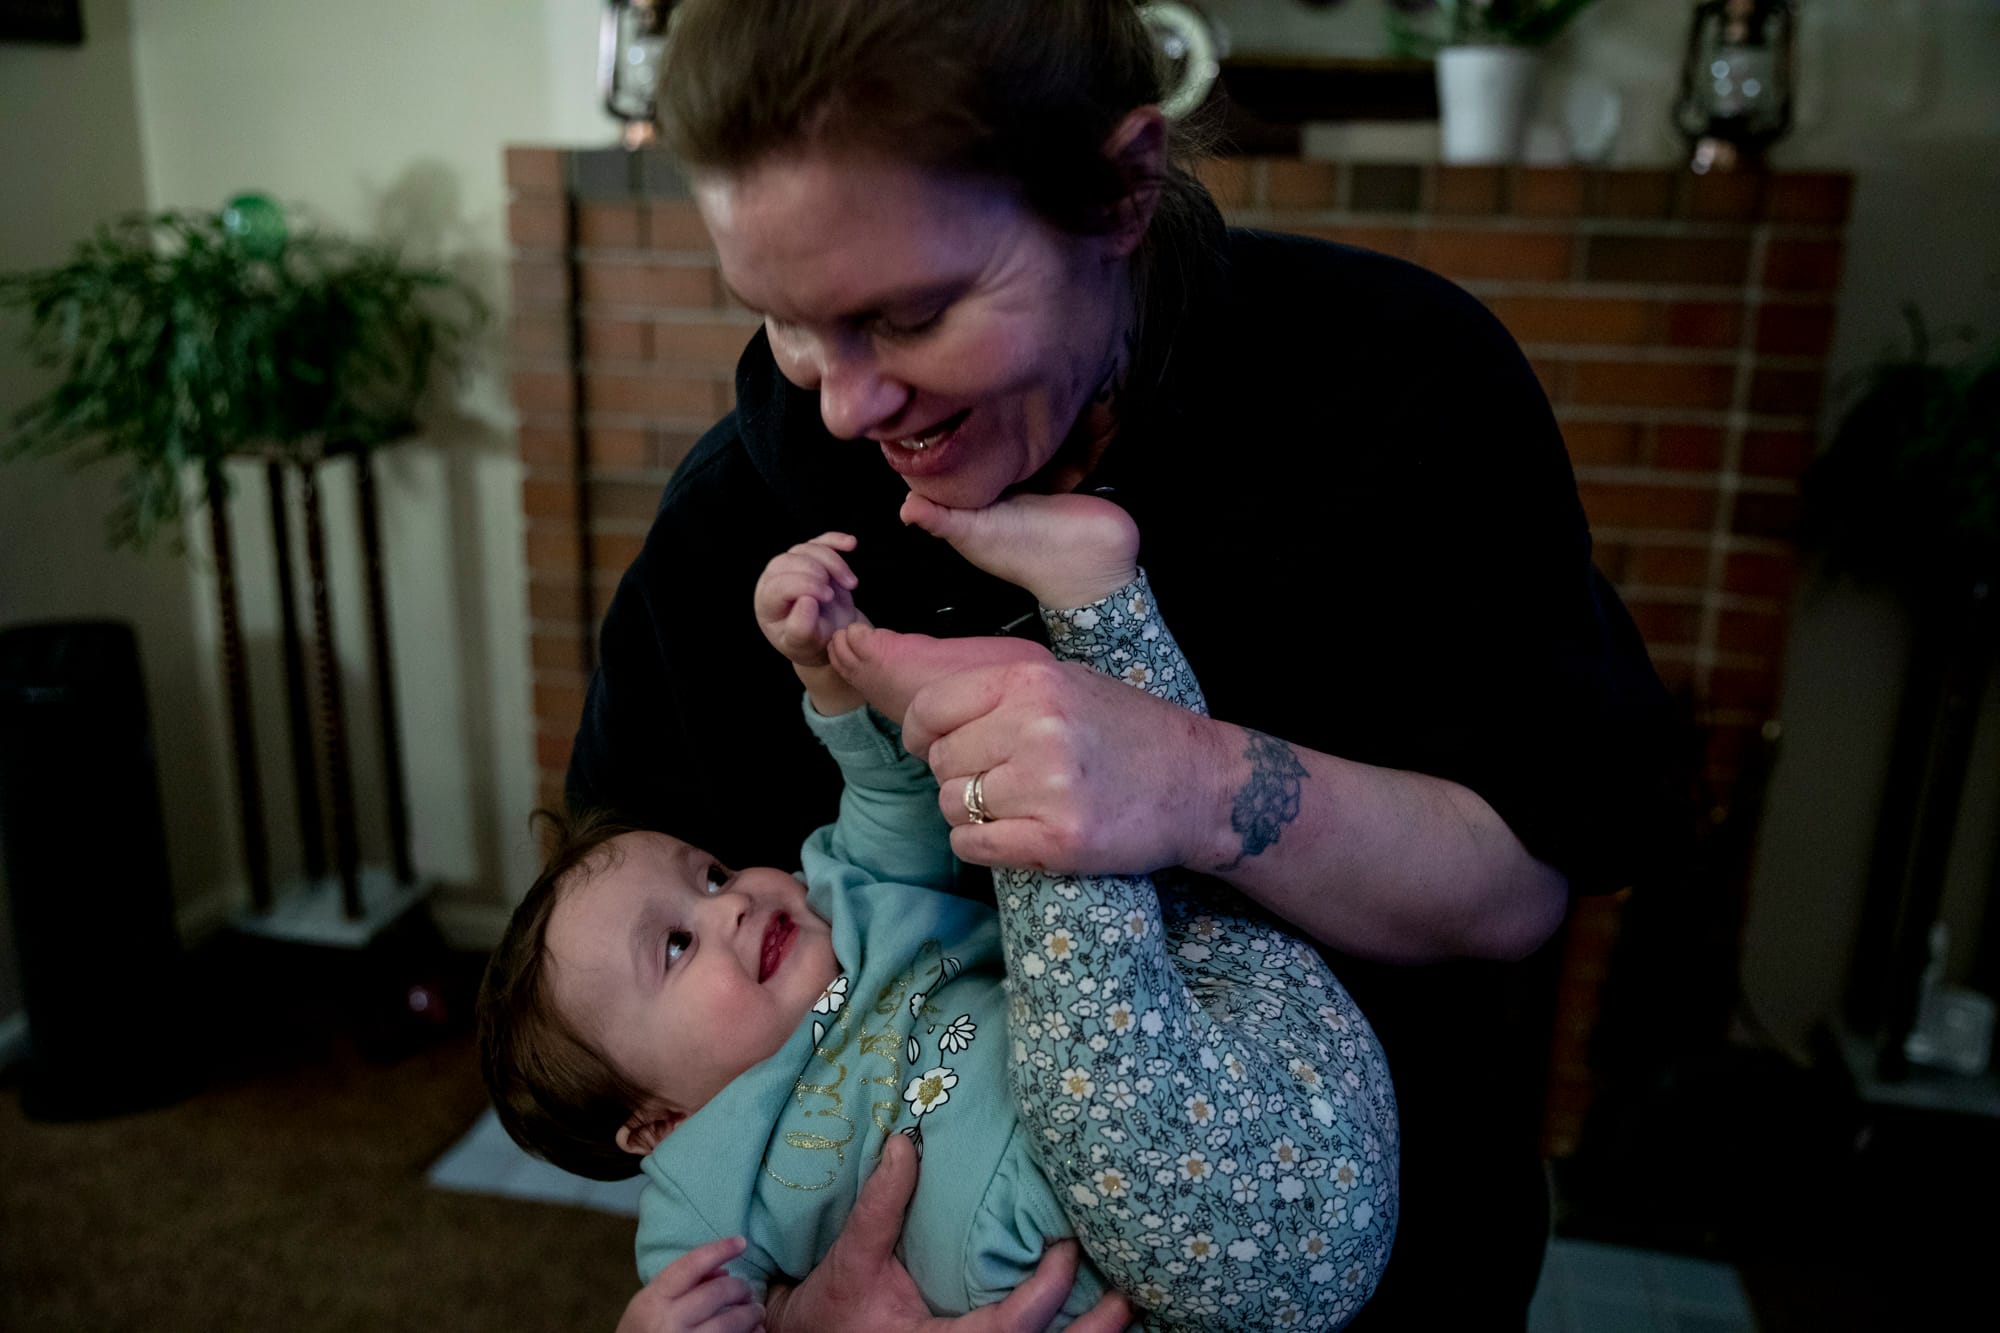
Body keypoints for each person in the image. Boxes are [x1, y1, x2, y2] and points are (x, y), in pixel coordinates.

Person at [571, 1, 1685, 1328]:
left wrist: (1193, 781)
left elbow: (1520, 885)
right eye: (785, 321)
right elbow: (615, 1029)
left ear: (1120, 187)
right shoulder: (735, 529)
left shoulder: (1401, 386)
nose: (842, 403)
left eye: (912, 314)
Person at [486, 494, 1398, 1331]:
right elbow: (723, 1315)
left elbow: (883, 796)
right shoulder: (700, 1191)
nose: (729, 907)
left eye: (714, 874)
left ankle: (1061, 647)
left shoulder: (847, 900)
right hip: (1189, 1256)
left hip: (1224, 1104)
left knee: (1097, 845)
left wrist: (831, 666)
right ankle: (1092, 614)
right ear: (654, 1124)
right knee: (1100, 854)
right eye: (677, 944)